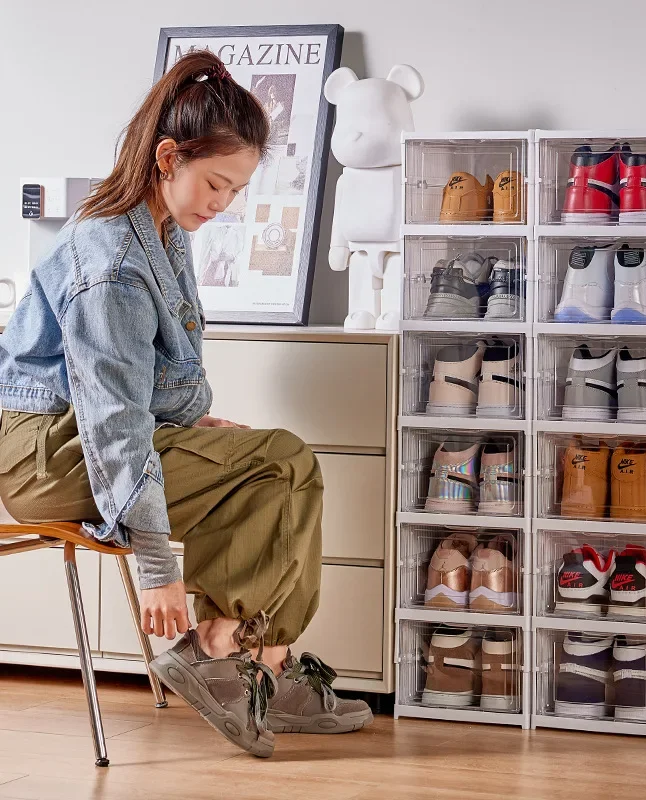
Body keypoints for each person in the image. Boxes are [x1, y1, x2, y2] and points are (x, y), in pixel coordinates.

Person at [0, 51, 373, 758]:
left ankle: (268, 665)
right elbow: (112, 420)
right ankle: (211, 647)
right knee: (278, 460)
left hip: (84, 435)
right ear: (168, 157)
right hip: (44, 454)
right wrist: (156, 571)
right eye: (216, 183)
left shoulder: (164, 233)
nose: (222, 204)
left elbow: (136, 383)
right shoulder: (110, 258)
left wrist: (189, 424)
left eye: (235, 191)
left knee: (289, 467)